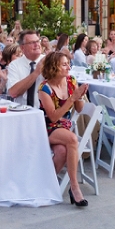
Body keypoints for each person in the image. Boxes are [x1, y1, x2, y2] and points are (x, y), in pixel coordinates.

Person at [37, 51, 91, 206]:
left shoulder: (71, 81)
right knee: (73, 140)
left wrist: (79, 96)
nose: (69, 67)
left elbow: (79, 109)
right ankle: (74, 188)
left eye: (68, 63)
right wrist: (72, 98)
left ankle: (47, 184)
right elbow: (53, 117)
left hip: (64, 126)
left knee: (62, 152)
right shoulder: (44, 88)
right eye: (64, 64)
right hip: (48, 127)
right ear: (54, 67)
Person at [7, 31, 45, 108]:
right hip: (22, 112)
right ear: (22, 47)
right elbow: (13, 93)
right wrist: (36, 72)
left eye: (37, 41)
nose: (37, 44)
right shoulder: (14, 65)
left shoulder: (49, 61)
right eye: (32, 42)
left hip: (45, 114)